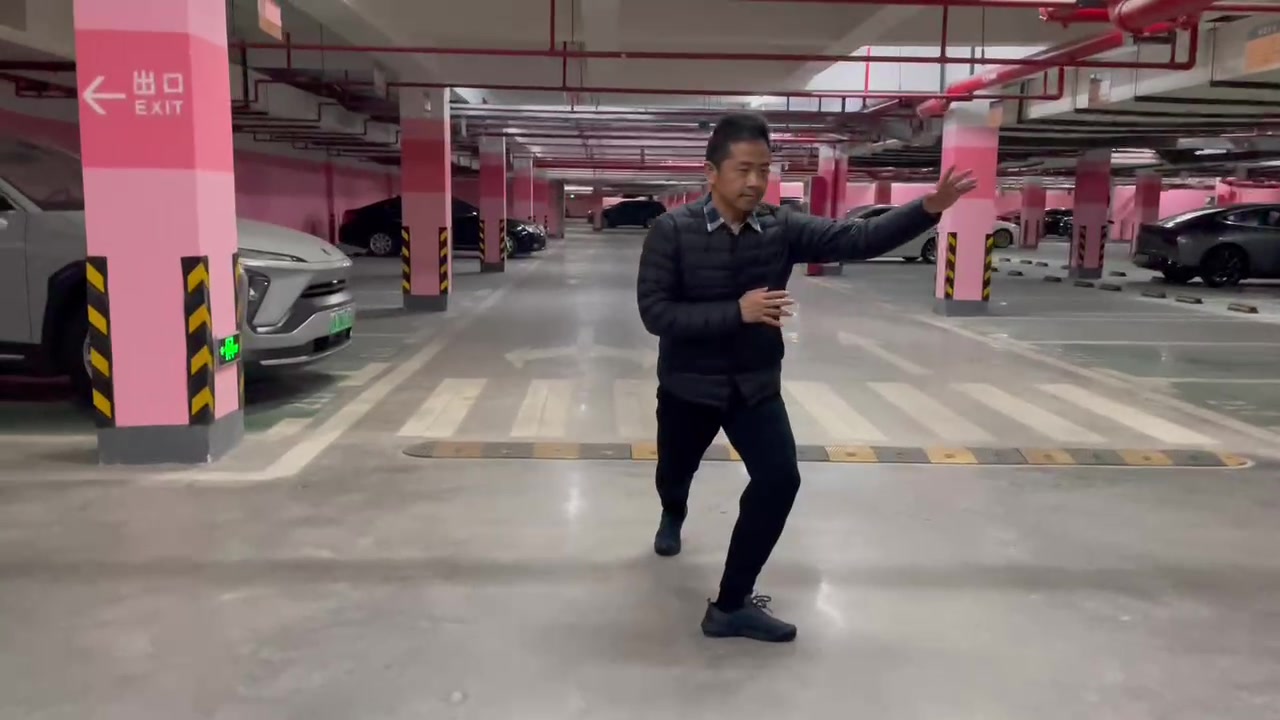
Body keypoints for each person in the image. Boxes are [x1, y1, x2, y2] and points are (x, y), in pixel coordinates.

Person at [635, 113, 976, 643]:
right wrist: (737, 311)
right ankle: (672, 511)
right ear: (711, 172)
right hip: (688, 387)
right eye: (743, 169)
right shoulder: (671, 231)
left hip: (754, 386)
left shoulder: (780, 227)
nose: (755, 181)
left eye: (764, 170)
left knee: (780, 481)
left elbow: (857, 238)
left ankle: (730, 604)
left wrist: (927, 208)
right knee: (675, 472)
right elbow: (655, 313)